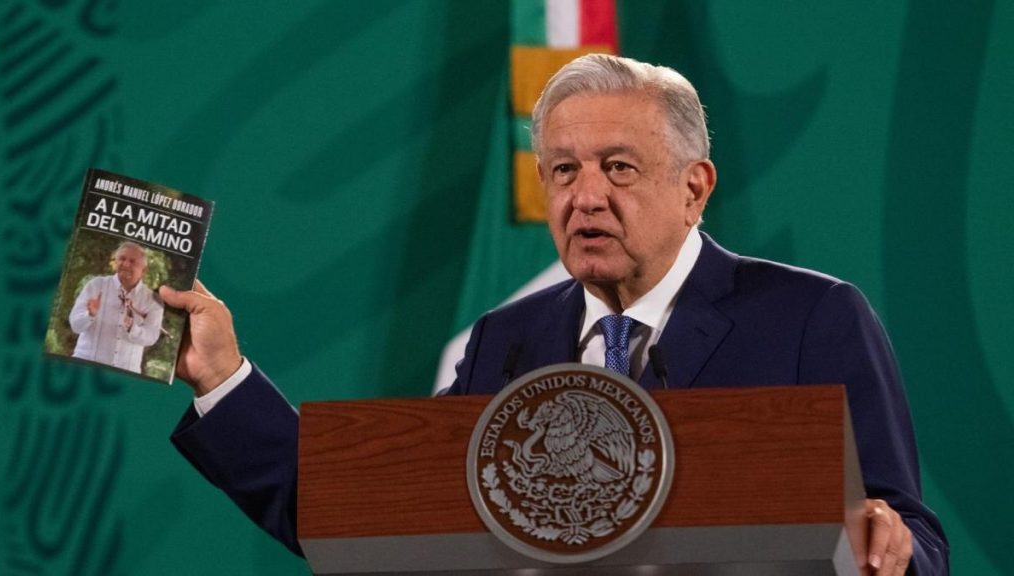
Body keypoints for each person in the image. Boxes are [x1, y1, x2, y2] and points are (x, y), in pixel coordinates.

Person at [159, 54, 948, 574]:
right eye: (563, 171)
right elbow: (368, 516)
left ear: (695, 188)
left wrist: (890, 549)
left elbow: (912, 540)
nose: (586, 196)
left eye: (618, 167)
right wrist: (223, 377)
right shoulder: (507, 341)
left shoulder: (811, 318)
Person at [69, 241, 164, 374]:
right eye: (122, 259)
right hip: (84, 367)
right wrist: (90, 315)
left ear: (144, 270)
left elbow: (151, 337)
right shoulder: (95, 285)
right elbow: (75, 326)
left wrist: (132, 329)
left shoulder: (153, 300)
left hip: (126, 374)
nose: (126, 264)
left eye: (132, 261)